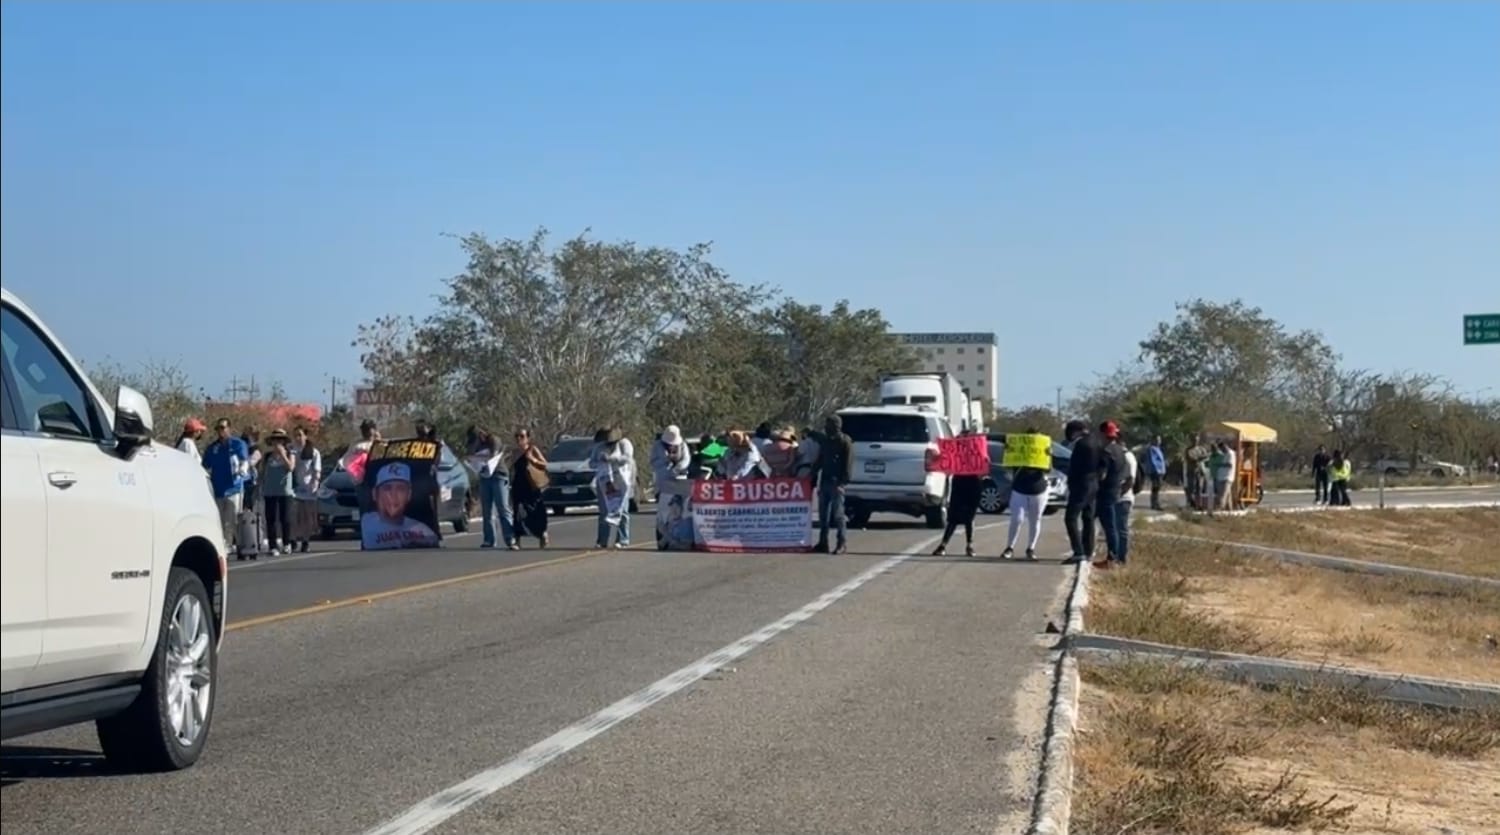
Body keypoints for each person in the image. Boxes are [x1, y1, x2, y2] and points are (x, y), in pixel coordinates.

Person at [361, 462, 441, 549]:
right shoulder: (366, 521)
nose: (394, 495)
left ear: (409, 494)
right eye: (387, 488)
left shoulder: (423, 531)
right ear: (375, 494)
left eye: (400, 489)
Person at [201, 418, 250, 549]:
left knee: (233, 519)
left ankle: (240, 545)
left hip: (234, 488)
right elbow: (205, 466)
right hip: (218, 488)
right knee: (220, 520)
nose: (220, 431)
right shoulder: (212, 447)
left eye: (223, 428)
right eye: (218, 428)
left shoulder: (238, 444)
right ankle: (224, 545)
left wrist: (242, 469)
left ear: (229, 428)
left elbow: (244, 460)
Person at [1001, 427, 1049, 560]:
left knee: (1035, 519)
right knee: (1017, 519)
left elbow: (1048, 470)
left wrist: (1048, 456)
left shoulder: (1043, 450)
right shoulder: (1019, 449)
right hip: (1020, 489)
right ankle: (1009, 547)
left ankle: (1031, 548)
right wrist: (1008, 451)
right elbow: (1007, 466)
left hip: (1038, 490)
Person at [466, 426, 516, 550]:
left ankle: (510, 538)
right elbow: (470, 456)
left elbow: (492, 457)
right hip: (484, 477)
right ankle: (489, 539)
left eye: (476, 439)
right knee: (486, 510)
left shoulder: (493, 440)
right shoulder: (476, 445)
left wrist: (477, 458)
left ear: (481, 434)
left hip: (498, 475)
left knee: (502, 508)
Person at [934, 431, 982, 557]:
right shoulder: (955, 450)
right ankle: (943, 545)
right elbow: (946, 464)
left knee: (969, 518)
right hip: (959, 484)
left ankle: (969, 545)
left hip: (973, 485)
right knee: (953, 518)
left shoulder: (977, 451)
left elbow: (983, 467)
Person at [814, 415, 853, 554]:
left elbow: (848, 465)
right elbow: (820, 461)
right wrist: (811, 475)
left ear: (836, 426)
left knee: (838, 515)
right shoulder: (826, 442)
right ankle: (823, 542)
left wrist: (842, 483)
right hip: (825, 481)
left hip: (837, 483)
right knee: (823, 516)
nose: (826, 427)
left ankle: (841, 543)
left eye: (829, 425)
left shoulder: (845, 441)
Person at [1063, 420, 1101, 563]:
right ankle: (1088, 550)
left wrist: (1070, 482)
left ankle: (1078, 551)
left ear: (1076, 432)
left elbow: (1075, 467)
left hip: (1081, 484)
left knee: (1070, 518)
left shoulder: (1081, 445)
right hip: (1093, 483)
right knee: (1088, 517)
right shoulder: (1097, 441)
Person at [592, 427, 635, 549]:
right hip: (604, 481)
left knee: (623, 510)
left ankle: (622, 539)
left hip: (622, 481)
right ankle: (602, 540)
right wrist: (600, 461)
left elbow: (627, 458)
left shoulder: (624, 444)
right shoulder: (599, 447)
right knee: (604, 511)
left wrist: (612, 459)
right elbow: (591, 462)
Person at [1094, 421, 1128, 567]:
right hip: (1116, 490)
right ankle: (1113, 557)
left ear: (1101, 434)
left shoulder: (1105, 452)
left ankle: (1111, 558)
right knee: (1111, 526)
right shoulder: (1121, 451)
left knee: (1109, 526)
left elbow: (1102, 475)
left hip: (1105, 492)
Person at [510, 428, 550, 547]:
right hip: (518, 485)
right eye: (517, 436)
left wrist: (533, 460)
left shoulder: (533, 449)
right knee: (518, 512)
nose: (519, 439)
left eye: (522, 436)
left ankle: (542, 534)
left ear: (528, 438)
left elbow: (545, 464)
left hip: (531, 485)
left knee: (536, 512)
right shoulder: (514, 452)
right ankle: (517, 540)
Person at [261, 429, 296, 555]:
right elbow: (262, 473)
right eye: (275, 440)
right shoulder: (267, 457)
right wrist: (260, 486)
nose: (277, 442)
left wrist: (283, 455)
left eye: (280, 440)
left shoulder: (290, 453)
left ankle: (287, 543)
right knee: (271, 519)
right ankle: (273, 546)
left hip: (285, 491)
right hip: (269, 491)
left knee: (285, 518)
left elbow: (290, 468)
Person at [290, 425, 322, 553]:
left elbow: (317, 470)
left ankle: (305, 541)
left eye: (300, 435)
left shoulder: (313, 452)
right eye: (295, 435)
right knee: (294, 516)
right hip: (294, 488)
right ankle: (292, 540)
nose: (298, 438)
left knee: (307, 517)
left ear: (305, 436)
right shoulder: (292, 450)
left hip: (308, 488)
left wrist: (315, 483)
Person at [1114, 437, 1142, 565]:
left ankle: (1121, 558)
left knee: (1121, 529)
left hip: (1124, 498)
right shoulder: (1122, 456)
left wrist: (1118, 495)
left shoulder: (1127, 457)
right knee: (1116, 528)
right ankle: (1115, 557)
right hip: (1119, 497)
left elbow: (1130, 480)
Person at [1185, 433, 1211, 510]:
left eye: (1197, 440)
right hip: (1192, 471)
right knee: (1191, 488)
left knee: (1199, 488)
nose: (1195, 441)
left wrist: (1201, 457)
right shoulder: (1188, 450)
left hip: (1200, 471)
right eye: (1194, 440)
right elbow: (1192, 459)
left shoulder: (1201, 449)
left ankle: (1198, 504)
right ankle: (1191, 503)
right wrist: (1201, 457)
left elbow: (1207, 457)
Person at [1146, 435, 1167, 510]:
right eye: (1157, 440)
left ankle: (1155, 503)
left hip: (1160, 471)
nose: (1159, 441)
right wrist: (1157, 470)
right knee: (1156, 487)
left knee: (1157, 487)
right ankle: (1155, 504)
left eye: (1159, 440)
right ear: (1153, 440)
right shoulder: (1152, 449)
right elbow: (1153, 461)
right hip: (1155, 471)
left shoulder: (1158, 449)